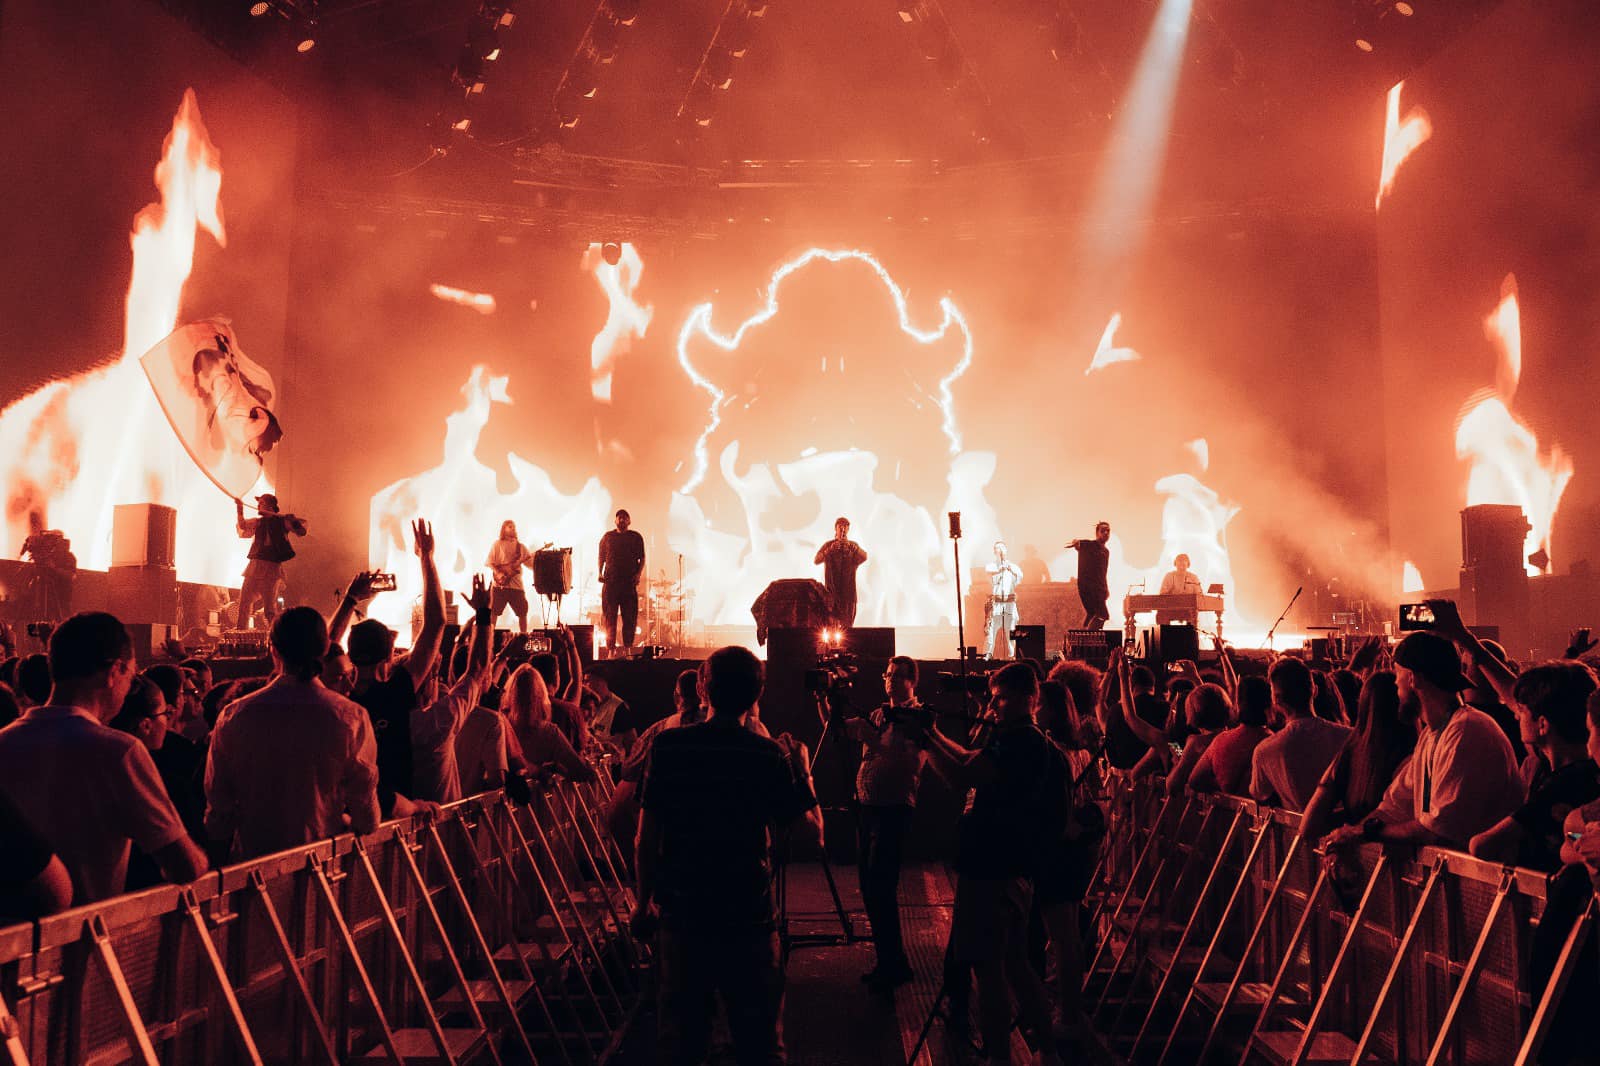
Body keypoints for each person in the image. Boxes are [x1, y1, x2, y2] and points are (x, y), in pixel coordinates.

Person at [633, 645, 823, 1066]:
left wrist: (643, 902)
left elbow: (646, 836)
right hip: (749, 917)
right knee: (760, 1044)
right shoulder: (767, 754)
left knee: (682, 1043)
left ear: (703, 689)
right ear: (757, 694)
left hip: (683, 914)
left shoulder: (668, 748)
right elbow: (813, 836)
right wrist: (803, 770)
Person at [0, 612, 208, 902]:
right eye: (130, 677)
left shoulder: (5, 740)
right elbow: (184, 866)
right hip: (90, 925)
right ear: (115, 671)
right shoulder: (118, 752)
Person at [920, 663, 1062, 1065]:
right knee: (1016, 964)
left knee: (989, 969)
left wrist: (924, 742)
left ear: (1028, 698)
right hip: (1010, 865)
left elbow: (963, 775)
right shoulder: (1021, 738)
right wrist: (931, 733)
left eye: (1000, 698)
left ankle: (1000, 1057)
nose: (992, 705)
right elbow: (969, 757)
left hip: (991, 868)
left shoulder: (1021, 740)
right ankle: (1048, 1052)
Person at [203, 607, 381, 860]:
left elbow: (218, 822)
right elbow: (367, 819)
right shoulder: (350, 717)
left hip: (252, 868)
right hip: (321, 865)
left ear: (273, 649)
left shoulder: (234, 715)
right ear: (324, 649)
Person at [1323, 626, 1523, 851]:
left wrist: (1362, 834)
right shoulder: (1432, 735)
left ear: (1413, 679)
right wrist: (1349, 837)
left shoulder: (1466, 731)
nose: (1395, 685)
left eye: (1397, 675)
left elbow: (1436, 830)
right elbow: (1394, 806)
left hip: (1486, 872)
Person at [347, 519, 446, 820]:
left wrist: (350, 600)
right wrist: (426, 557)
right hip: (395, 814)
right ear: (390, 654)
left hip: (344, 819)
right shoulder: (397, 690)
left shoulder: (339, 697)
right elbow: (436, 623)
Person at [844, 655, 928, 989]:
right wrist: (826, 700)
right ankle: (888, 960)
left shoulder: (918, 717)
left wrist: (874, 742)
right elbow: (842, 728)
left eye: (899, 676)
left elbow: (913, 765)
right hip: (868, 808)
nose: (891, 680)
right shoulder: (878, 714)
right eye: (888, 675)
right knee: (869, 886)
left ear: (913, 682)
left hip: (893, 808)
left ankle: (894, 964)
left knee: (881, 886)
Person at [1468, 661, 1599, 871]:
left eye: (1521, 710)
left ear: (1543, 725)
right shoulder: (1575, 768)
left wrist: (1574, 840)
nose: (1515, 715)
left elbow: (1482, 846)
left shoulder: (1561, 784)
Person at [1299, 672, 1415, 842]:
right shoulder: (1413, 758)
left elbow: (1308, 825)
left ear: (1363, 707)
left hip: (1353, 856)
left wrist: (1346, 828)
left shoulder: (1352, 753)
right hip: (1394, 857)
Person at [1248, 657, 1352, 812]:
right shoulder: (1349, 737)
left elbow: (1259, 794)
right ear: (1314, 691)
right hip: (1345, 825)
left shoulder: (1265, 750)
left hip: (1296, 826)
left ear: (1276, 699)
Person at [502, 664, 594, 782]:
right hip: (540, 794)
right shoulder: (549, 732)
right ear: (541, 694)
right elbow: (579, 771)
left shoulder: (501, 726)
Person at [1189, 675, 1272, 796]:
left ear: (1238, 705)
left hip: (1220, 808)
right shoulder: (1272, 742)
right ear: (1270, 703)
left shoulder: (1219, 740)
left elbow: (1194, 781)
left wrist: (1222, 789)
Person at [235, 494, 307, 628]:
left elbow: (302, 532)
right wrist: (240, 508)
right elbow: (243, 526)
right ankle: (240, 633)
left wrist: (294, 522)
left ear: (270, 506)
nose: (258, 506)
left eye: (261, 503)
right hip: (254, 566)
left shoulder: (283, 522)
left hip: (271, 569)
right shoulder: (258, 522)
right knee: (244, 603)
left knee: (269, 609)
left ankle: (276, 634)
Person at [598, 509, 646, 658]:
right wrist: (599, 572)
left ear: (629, 521)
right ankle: (611, 650)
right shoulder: (607, 537)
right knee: (609, 617)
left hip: (628, 583)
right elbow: (601, 557)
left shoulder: (635, 537)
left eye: (625, 518)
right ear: (615, 521)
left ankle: (628, 649)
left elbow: (642, 558)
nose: (622, 520)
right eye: (619, 518)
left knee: (629, 617)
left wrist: (638, 574)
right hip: (610, 583)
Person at [813, 516, 868, 628]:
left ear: (848, 529)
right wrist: (830, 550)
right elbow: (816, 560)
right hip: (832, 594)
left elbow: (864, 556)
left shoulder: (852, 546)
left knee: (848, 628)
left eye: (845, 527)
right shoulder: (829, 545)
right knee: (830, 627)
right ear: (836, 528)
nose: (843, 530)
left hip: (849, 595)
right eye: (840, 527)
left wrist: (853, 547)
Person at [20, 513, 76, 621]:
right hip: (44, 597)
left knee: (62, 620)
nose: (49, 541)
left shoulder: (68, 556)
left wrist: (54, 568)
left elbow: (71, 576)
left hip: (61, 597)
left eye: (52, 539)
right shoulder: (47, 554)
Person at [486, 520, 534, 633]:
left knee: (522, 613)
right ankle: (489, 636)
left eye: (514, 527)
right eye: (510, 526)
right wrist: (498, 573)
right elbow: (490, 562)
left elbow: (530, 564)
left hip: (516, 586)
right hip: (499, 586)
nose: (513, 528)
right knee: (493, 612)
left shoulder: (520, 547)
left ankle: (523, 635)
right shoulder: (497, 544)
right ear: (504, 529)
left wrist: (537, 559)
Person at [1066, 521, 1111, 629]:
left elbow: (1103, 572)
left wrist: (1106, 588)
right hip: (1089, 588)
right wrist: (1076, 543)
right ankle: (1089, 635)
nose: (1106, 533)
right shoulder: (1091, 545)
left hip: (1099, 588)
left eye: (1108, 531)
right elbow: (1080, 544)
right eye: (1103, 531)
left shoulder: (1106, 551)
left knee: (1093, 614)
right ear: (1097, 533)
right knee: (1103, 615)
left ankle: (1085, 631)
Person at [985, 541, 1024, 661]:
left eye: (1002, 548)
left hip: (1009, 604)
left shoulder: (1014, 567)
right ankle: (988, 654)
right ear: (994, 551)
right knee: (991, 631)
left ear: (1006, 551)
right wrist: (999, 571)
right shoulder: (991, 566)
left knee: (1011, 631)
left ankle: (1012, 655)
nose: (1000, 550)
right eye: (997, 548)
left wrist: (1011, 570)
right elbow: (989, 577)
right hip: (996, 604)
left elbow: (1019, 578)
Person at [1156, 553, 1202, 625]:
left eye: (1183, 563)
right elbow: (1163, 593)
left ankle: (1191, 632)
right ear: (1175, 564)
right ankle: (1165, 632)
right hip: (1171, 608)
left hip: (1188, 609)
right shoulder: (1169, 576)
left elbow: (1199, 594)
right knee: (1161, 612)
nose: (1181, 566)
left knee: (1193, 612)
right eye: (1179, 563)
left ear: (1188, 564)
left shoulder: (1193, 577)